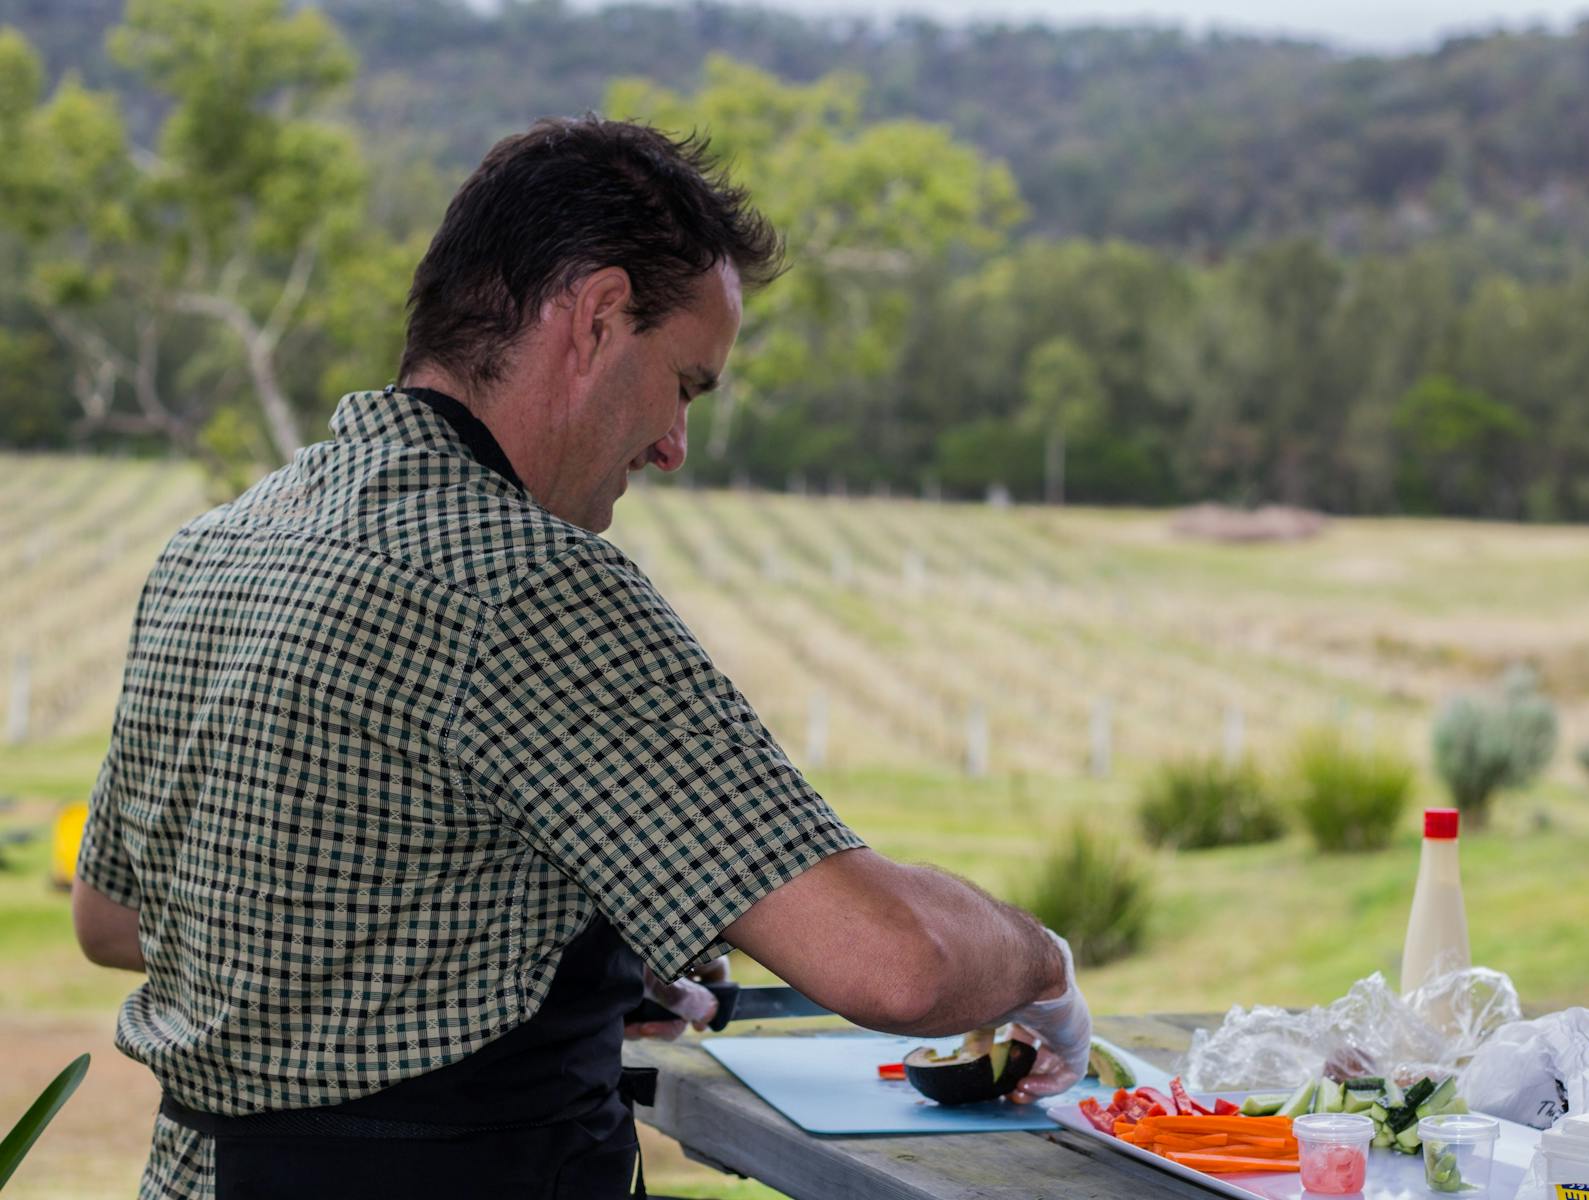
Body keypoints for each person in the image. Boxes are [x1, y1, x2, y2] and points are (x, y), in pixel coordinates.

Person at [71, 115, 1093, 1200]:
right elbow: (894, 965)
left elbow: (119, 920)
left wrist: (522, 956)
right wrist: (1040, 970)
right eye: (685, 385)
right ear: (599, 317)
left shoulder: (219, 544)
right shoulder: (523, 578)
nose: (672, 446)